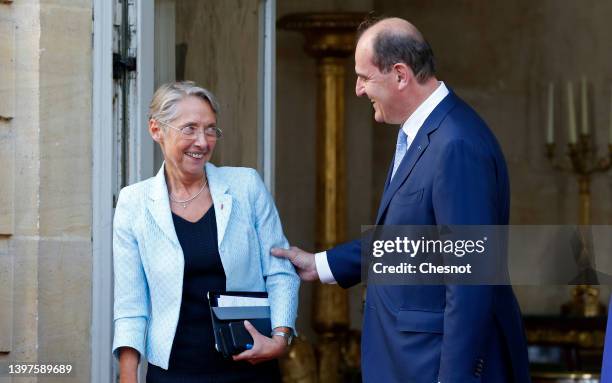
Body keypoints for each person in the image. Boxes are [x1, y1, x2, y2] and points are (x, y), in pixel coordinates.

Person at [272, 17, 530, 382]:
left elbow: (470, 281)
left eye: (364, 77)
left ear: (400, 74)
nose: (359, 90)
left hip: (432, 367)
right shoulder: (423, 132)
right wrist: (322, 264)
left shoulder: (456, 144)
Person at [112, 81, 299, 383]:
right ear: (156, 129)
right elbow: (131, 304)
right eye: (189, 128)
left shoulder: (246, 186)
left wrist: (280, 337)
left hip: (250, 366)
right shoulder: (134, 203)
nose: (202, 141)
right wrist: (127, 376)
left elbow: (280, 271)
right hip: (174, 372)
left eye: (210, 129)